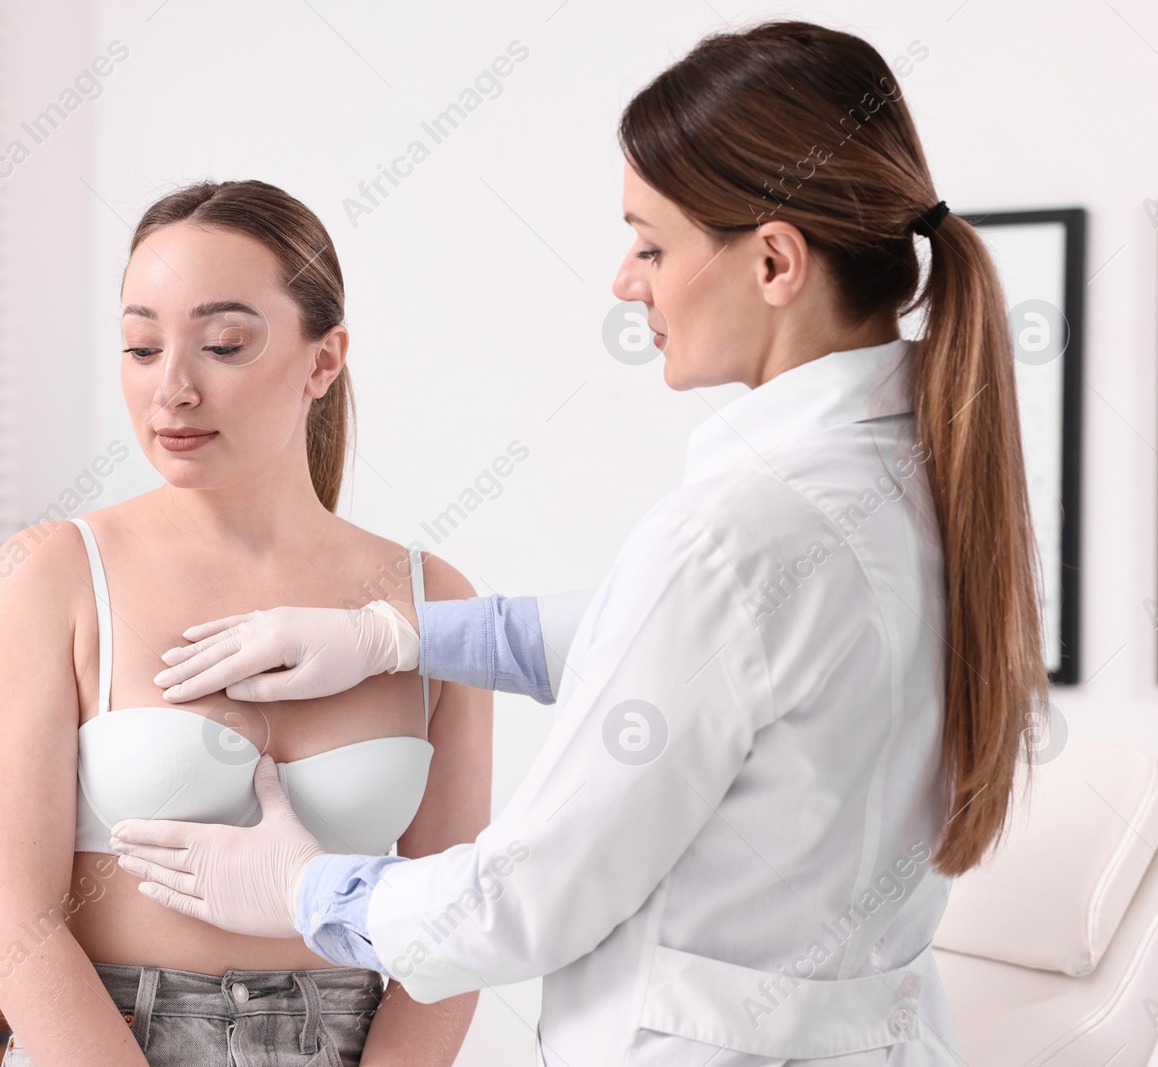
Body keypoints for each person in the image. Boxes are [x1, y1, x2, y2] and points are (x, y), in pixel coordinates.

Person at [109, 19, 1050, 1067]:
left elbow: (523, 899)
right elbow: (709, 658)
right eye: (140, 342)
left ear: (775, 259)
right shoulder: (909, 479)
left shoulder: (737, 531)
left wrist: (303, 887)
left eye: (651, 243)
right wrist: (404, 636)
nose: (623, 280)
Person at [0, 180, 493, 1067]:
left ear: (324, 361)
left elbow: (454, 929)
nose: (172, 387)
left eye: (223, 344)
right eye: (140, 345)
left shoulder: (434, 602)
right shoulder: (54, 574)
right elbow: (12, 924)